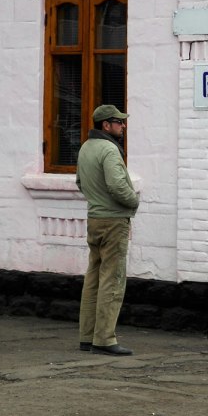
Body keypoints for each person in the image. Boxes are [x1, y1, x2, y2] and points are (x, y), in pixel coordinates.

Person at [75, 104, 140, 355]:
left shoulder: (86, 147)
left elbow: (80, 182)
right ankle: (104, 339)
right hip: (114, 221)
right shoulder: (110, 150)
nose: (122, 126)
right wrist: (133, 201)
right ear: (106, 125)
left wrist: (96, 200)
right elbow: (117, 185)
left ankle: (86, 337)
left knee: (92, 278)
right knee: (112, 280)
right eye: (119, 122)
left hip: (94, 219)